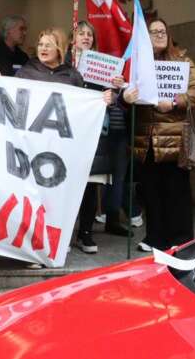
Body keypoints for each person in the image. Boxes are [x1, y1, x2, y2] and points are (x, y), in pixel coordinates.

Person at [17, 28, 113, 265]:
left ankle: (59, 240)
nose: (43, 48)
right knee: (38, 195)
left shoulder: (72, 76)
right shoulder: (26, 73)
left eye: (49, 44)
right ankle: (35, 245)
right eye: (40, 44)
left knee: (61, 194)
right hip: (35, 146)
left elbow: (83, 107)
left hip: (63, 148)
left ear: (60, 48)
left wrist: (102, 102)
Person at [123, 18, 195, 252]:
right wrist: (125, 95)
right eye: (153, 32)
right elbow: (125, 98)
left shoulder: (183, 61)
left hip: (174, 140)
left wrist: (174, 102)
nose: (159, 35)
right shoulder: (136, 66)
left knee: (177, 192)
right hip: (146, 140)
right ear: (145, 38)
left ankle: (180, 239)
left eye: (162, 31)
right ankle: (155, 238)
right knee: (151, 192)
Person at [67, 21, 130, 253]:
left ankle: (85, 232)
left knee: (91, 183)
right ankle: (63, 233)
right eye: (80, 33)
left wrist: (116, 91)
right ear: (72, 38)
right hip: (68, 133)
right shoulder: (63, 62)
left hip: (96, 133)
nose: (85, 37)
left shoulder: (101, 65)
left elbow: (115, 98)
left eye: (89, 34)